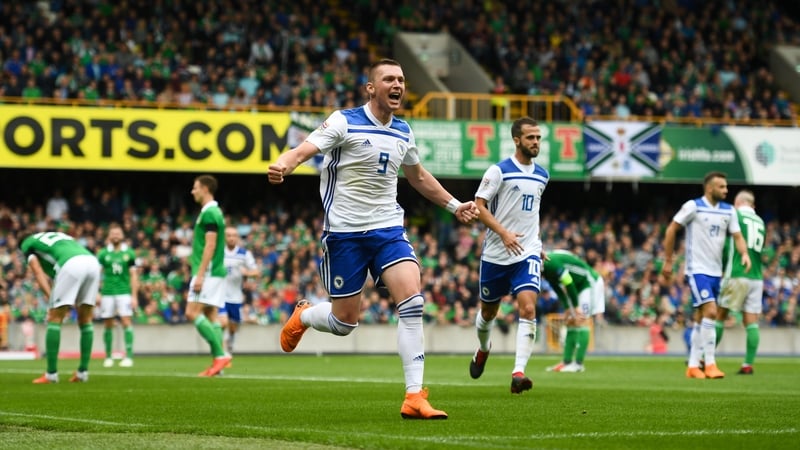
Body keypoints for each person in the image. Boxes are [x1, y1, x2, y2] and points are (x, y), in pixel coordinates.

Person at [268, 58, 479, 420]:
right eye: (389, 79)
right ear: (371, 88)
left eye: (401, 80)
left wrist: (455, 205)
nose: (398, 85)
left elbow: (418, 177)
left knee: (412, 301)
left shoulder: (404, 131)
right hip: (344, 234)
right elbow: (304, 149)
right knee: (344, 323)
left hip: (387, 230)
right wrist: (285, 164)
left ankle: (414, 396)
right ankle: (305, 315)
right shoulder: (343, 121)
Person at [468, 116, 548, 394]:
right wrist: (503, 233)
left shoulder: (543, 175)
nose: (535, 142)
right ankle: (483, 348)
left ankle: (518, 373)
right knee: (488, 312)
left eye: (538, 138)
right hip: (496, 253)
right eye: (530, 137)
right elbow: (479, 206)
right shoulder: (499, 171)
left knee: (528, 308)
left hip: (526, 252)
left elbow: (532, 212)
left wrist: (538, 243)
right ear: (517, 140)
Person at [661, 171, 751, 379]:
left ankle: (693, 366)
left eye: (726, 187)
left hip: (716, 272)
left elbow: (738, 236)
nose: (726, 190)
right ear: (709, 188)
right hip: (697, 270)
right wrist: (668, 260)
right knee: (711, 312)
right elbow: (671, 229)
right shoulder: (693, 206)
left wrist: (744, 253)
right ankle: (710, 363)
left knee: (701, 317)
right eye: (721, 187)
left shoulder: (729, 211)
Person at [21, 231, 101, 383]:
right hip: (92, 262)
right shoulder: (59, 235)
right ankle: (82, 372)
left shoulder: (27, 242)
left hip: (70, 264)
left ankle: (51, 374)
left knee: (54, 317)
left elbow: (37, 271)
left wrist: (50, 296)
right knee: (86, 319)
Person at [186, 174, 231, 377]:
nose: (192, 191)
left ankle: (221, 355)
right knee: (211, 314)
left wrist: (200, 275)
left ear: (205, 189)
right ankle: (218, 365)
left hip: (209, 272)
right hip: (216, 272)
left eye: (195, 188)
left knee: (192, 313)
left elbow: (210, 245)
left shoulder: (210, 213)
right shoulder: (213, 211)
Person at [716, 190, 765, 375]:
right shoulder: (760, 221)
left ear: (738, 203)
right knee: (751, 322)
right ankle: (748, 364)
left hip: (737, 273)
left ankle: (705, 359)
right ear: (752, 205)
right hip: (756, 277)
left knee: (719, 315)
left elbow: (726, 244)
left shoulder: (735, 215)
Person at [540, 249, 605, 373]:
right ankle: (567, 362)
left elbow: (568, 281)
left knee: (582, 319)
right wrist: (566, 307)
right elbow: (556, 287)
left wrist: (575, 306)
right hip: (576, 286)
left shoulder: (551, 264)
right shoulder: (545, 270)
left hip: (589, 282)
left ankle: (578, 364)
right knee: (570, 321)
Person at [97, 223, 140, 368]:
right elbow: (97, 274)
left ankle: (129, 356)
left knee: (126, 322)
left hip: (124, 292)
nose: (115, 236)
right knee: (108, 323)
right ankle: (108, 356)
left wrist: (134, 296)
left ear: (122, 236)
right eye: (113, 233)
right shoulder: (103, 254)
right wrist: (96, 292)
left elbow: (134, 275)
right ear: (109, 236)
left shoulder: (130, 253)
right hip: (107, 292)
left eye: (118, 233)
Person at [219, 226, 259, 354]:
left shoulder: (244, 254)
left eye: (233, 235)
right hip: (221, 296)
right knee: (223, 323)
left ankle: (230, 340)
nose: (231, 238)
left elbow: (256, 272)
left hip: (236, 297)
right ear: (224, 237)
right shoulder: (219, 253)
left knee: (233, 326)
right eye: (228, 235)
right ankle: (222, 353)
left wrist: (247, 273)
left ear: (237, 238)